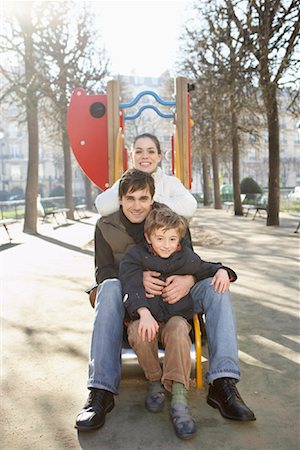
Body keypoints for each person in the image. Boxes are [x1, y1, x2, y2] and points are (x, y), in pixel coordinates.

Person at [75, 168, 255, 435]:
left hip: (175, 293)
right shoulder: (106, 226)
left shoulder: (171, 220)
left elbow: (192, 261)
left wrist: (192, 280)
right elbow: (103, 272)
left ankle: (223, 381)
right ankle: (101, 389)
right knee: (109, 285)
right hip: (132, 298)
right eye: (130, 198)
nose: (137, 206)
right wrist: (136, 280)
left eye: (143, 198)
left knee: (218, 287)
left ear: (152, 198)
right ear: (121, 198)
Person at [119, 207, 237, 439]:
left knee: (178, 328)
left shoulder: (186, 258)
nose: (165, 244)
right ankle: (154, 380)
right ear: (148, 237)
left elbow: (208, 268)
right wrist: (143, 312)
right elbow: (130, 284)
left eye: (172, 239)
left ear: (179, 240)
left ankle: (179, 395)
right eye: (160, 238)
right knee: (137, 330)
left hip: (175, 319)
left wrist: (223, 271)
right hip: (148, 318)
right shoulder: (135, 257)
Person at [94, 133, 197, 219]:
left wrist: (152, 197)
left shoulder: (170, 183)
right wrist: (130, 195)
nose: (144, 156)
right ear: (131, 156)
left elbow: (190, 207)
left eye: (151, 151)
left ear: (159, 156)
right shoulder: (124, 182)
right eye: (139, 152)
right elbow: (102, 206)